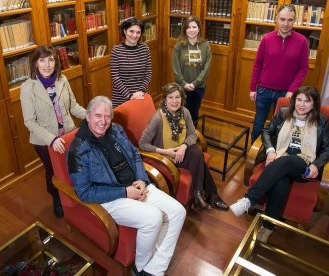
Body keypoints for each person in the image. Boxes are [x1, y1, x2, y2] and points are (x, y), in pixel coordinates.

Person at [68, 96, 186, 276]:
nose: (103, 121)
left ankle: (153, 270)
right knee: (153, 218)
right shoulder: (78, 149)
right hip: (111, 198)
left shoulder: (116, 130)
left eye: (107, 116)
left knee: (178, 212)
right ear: (88, 116)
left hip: (136, 186)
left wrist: (142, 179)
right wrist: (124, 192)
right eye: (98, 116)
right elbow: (84, 192)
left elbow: (135, 155)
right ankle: (140, 268)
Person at [230, 86, 329, 243]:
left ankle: (249, 199)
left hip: (304, 166)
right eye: (299, 99)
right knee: (280, 180)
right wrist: (271, 150)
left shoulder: (321, 121)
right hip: (279, 158)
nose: (302, 104)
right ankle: (268, 227)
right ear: (294, 100)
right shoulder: (283, 113)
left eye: (307, 101)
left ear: (314, 104)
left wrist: (316, 165)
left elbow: (328, 149)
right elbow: (266, 131)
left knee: (286, 161)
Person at [139, 82, 228, 211]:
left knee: (196, 152)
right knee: (199, 159)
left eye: (177, 97)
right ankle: (211, 196)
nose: (174, 101)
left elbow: (192, 134)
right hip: (165, 157)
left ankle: (198, 195)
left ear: (182, 98)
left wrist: (184, 146)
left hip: (181, 153)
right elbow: (142, 144)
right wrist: (166, 151)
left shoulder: (184, 112)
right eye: (170, 97)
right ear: (164, 99)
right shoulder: (157, 118)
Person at [20, 46, 86, 218]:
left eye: (50, 59)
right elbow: (29, 122)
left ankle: (76, 195)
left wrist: (93, 116)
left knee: (73, 167)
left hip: (68, 135)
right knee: (54, 172)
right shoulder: (28, 87)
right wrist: (51, 139)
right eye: (42, 60)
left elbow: (73, 106)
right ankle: (56, 198)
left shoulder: (62, 79)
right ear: (35, 63)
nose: (47, 64)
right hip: (45, 142)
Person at [250, 4, 309, 143]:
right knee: (259, 122)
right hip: (264, 90)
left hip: (285, 94)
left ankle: (275, 151)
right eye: (282, 19)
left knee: (281, 125)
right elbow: (257, 64)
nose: (285, 23)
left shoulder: (301, 41)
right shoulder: (266, 38)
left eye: (290, 20)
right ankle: (254, 151)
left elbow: (303, 69)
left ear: (294, 21)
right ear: (276, 18)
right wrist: (253, 88)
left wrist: (292, 90)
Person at [172, 16, 212, 126]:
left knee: (194, 114)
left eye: (194, 27)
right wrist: (184, 84)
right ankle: (180, 137)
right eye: (188, 27)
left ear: (199, 29)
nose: (191, 30)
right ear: (185, 29)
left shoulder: (205, 46)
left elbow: (206, 68)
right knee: (181, 114)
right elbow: (176, 69)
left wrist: (195, 83)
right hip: (181, 87)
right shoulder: (178, 46)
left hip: (198, 87)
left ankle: (192, 137)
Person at [110, 17, 152, 108]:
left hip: (141, 96)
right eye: (131, 31)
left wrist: (141, 91)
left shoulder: (145, 49)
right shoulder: (116, 51)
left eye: (138, 32)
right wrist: (130, 96)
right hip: (121, 98)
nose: (135, 35)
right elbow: (115, 78)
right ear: (125, 31)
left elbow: (148, 74)